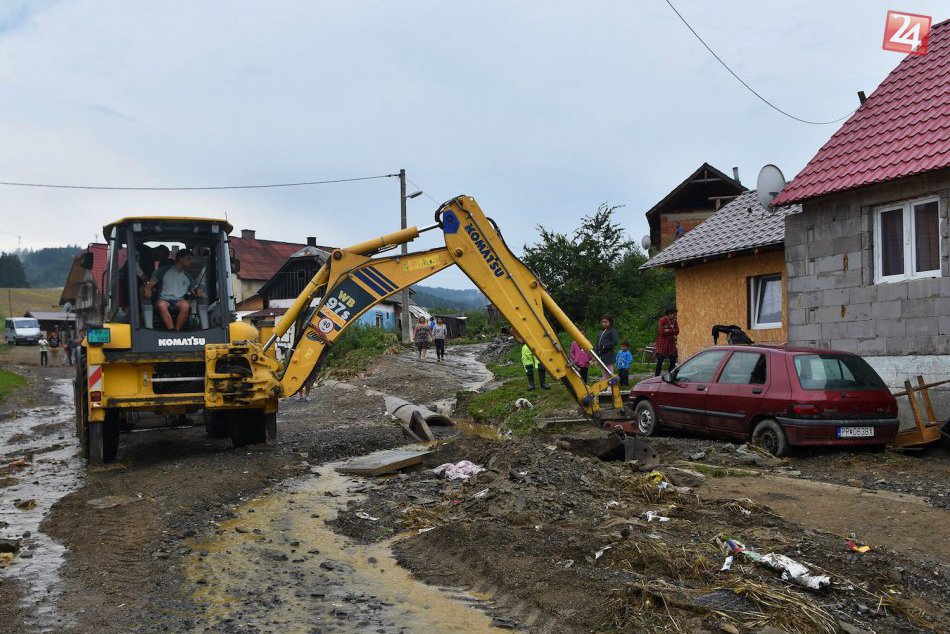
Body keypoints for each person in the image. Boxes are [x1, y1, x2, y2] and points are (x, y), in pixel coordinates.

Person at [145, 249, 200, 331]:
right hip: (163, 299)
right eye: (188, 258)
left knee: (186, 306)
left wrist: (198, 292)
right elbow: (150, 285)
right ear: (180, 258)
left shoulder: (187, 276)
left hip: (179, 300)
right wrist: (147, 290)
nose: (191, 261)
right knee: (162, 305)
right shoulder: (163, 270)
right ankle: (171, 330)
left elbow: (195, 290)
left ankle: (176, 331)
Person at [654, 307, 679, 377]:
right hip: (662, 343)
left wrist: (668, 330)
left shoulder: (674, 321)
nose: (675, 316)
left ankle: (670, 376)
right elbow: (661, 331)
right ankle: (656, 376)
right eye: (674, 314)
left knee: (673, 360)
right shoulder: (662, 320)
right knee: (660, 360)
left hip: (671, 343)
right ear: (669, 314)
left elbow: (677, 331)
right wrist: (671, 331)